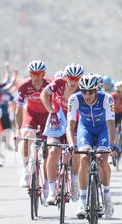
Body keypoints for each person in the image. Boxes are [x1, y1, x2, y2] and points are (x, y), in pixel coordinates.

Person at [66, 74, 116, 219]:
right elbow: (70, 126)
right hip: (85, 130)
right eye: (84, 91)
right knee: (84, 159)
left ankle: (107, 197)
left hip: (103, 130)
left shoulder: (107, 99)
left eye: (91, 92)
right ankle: (82, 202)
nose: (87, 95)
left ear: (97, 90)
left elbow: (111, 125)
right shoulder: (74, 99)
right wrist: (71, 145)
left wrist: (111, 145)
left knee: (102, 159)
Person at [40, 63, 85, 205]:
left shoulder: (83, 88)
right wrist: (51, 111)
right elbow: (44, 95)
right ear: (66, 77)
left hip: (74, 124)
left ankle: (75, 182)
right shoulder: (57, 84)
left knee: (76, 153)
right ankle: (52, 191)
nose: (73, 82)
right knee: (53, 151)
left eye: (77, 79)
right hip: (57, 122)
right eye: (71, 78)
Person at [16, 60, 51, 200]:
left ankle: (48, 183)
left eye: (39, 73)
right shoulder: (24, 85)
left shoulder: (49, 85)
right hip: (31, 115)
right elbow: (18, 110)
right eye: (33, 74)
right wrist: (18, 130)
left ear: (44, 74)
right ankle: (25, 171)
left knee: (48, 151)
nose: (36, 77)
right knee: (26, 136)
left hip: (47, 116)